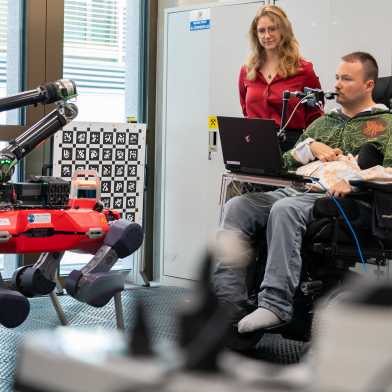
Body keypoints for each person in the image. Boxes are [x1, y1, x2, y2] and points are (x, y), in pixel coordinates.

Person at [213, 52, 392, 334]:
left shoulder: (386, 125)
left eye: (346, 78)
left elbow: (390, 171)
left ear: (369, 85)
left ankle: (275, 304)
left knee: (285, 211)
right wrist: (308, 148)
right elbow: (283, 163)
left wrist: (355, 180)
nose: (338, 84)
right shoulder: (323, 123)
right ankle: (226, 302)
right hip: (298, 189)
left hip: (344, 198)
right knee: (238, 206)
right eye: (336, 78)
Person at [239, 5, 323, 151]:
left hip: (293, 147)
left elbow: (315, 117)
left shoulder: (304, 69)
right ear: (256, 34)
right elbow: (246, 110)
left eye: (272, 29)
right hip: (255, 143)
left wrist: (312, 147)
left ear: (283, 31)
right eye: (261, 31)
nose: (267, 35)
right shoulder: (247, 70)